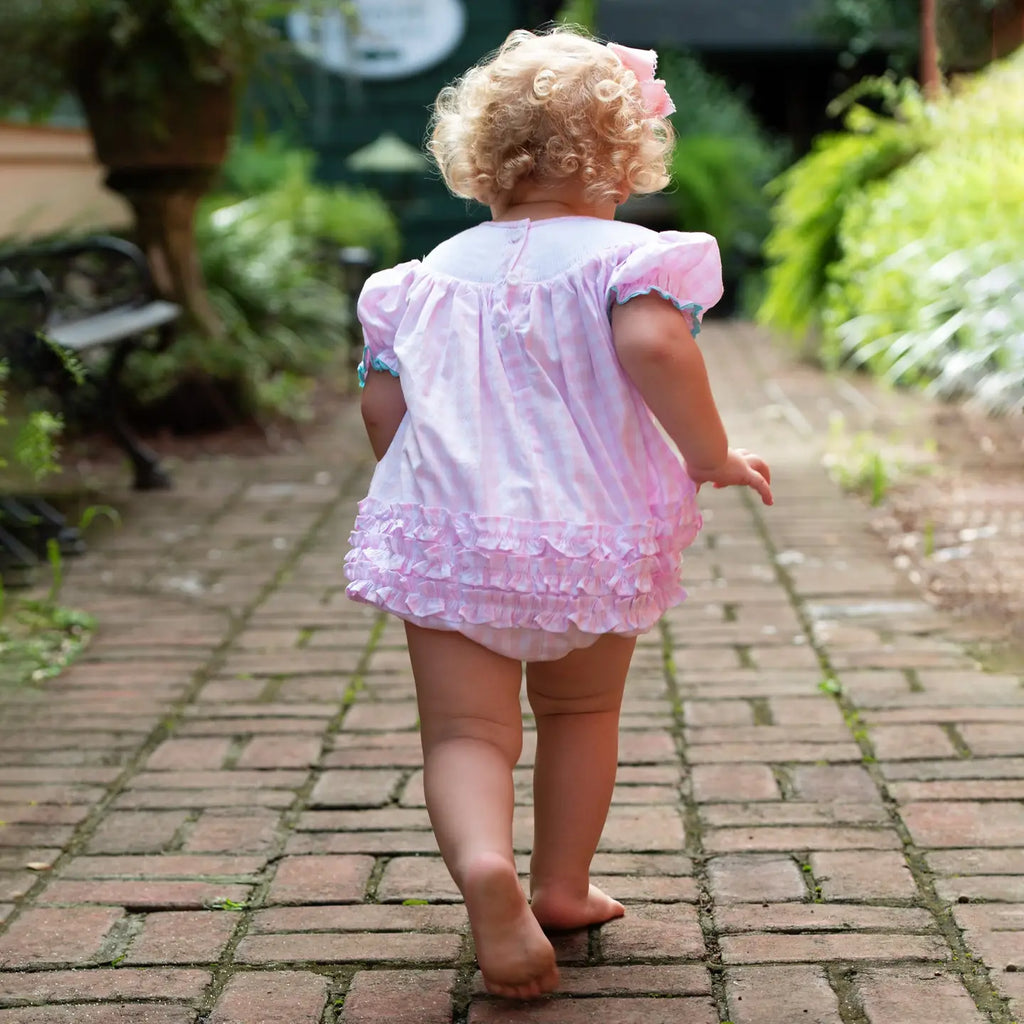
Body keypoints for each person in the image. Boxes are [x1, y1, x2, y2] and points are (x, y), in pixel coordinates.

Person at [344, 26, 772, 1000]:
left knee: (465, 733)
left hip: (450, 536)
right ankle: (561, 887)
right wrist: (709, 455)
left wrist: (426, 499)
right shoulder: (631, 257)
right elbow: (655, 345)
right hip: (587, 535)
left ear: (479, 156)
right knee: (581, 711)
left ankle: (483, 868)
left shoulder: (419, 278)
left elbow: (381, 409)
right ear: (623, 161)